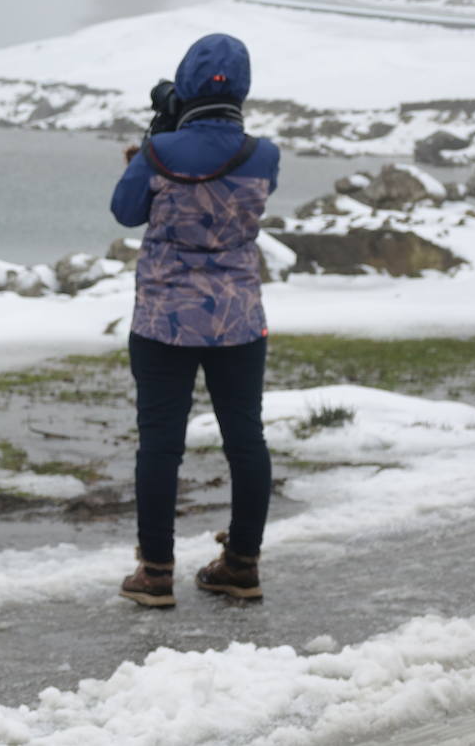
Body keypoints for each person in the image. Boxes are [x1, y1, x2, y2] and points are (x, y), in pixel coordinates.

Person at [109, 32, 279, 608]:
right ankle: (242, 565)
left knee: (160, 443)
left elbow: (126, 211)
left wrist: (153, 144)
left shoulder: (160, 153)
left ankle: (155, 572)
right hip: (238, 317)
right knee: (245, 439)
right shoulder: (265, 155)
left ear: (184, 82)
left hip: (164, 320)